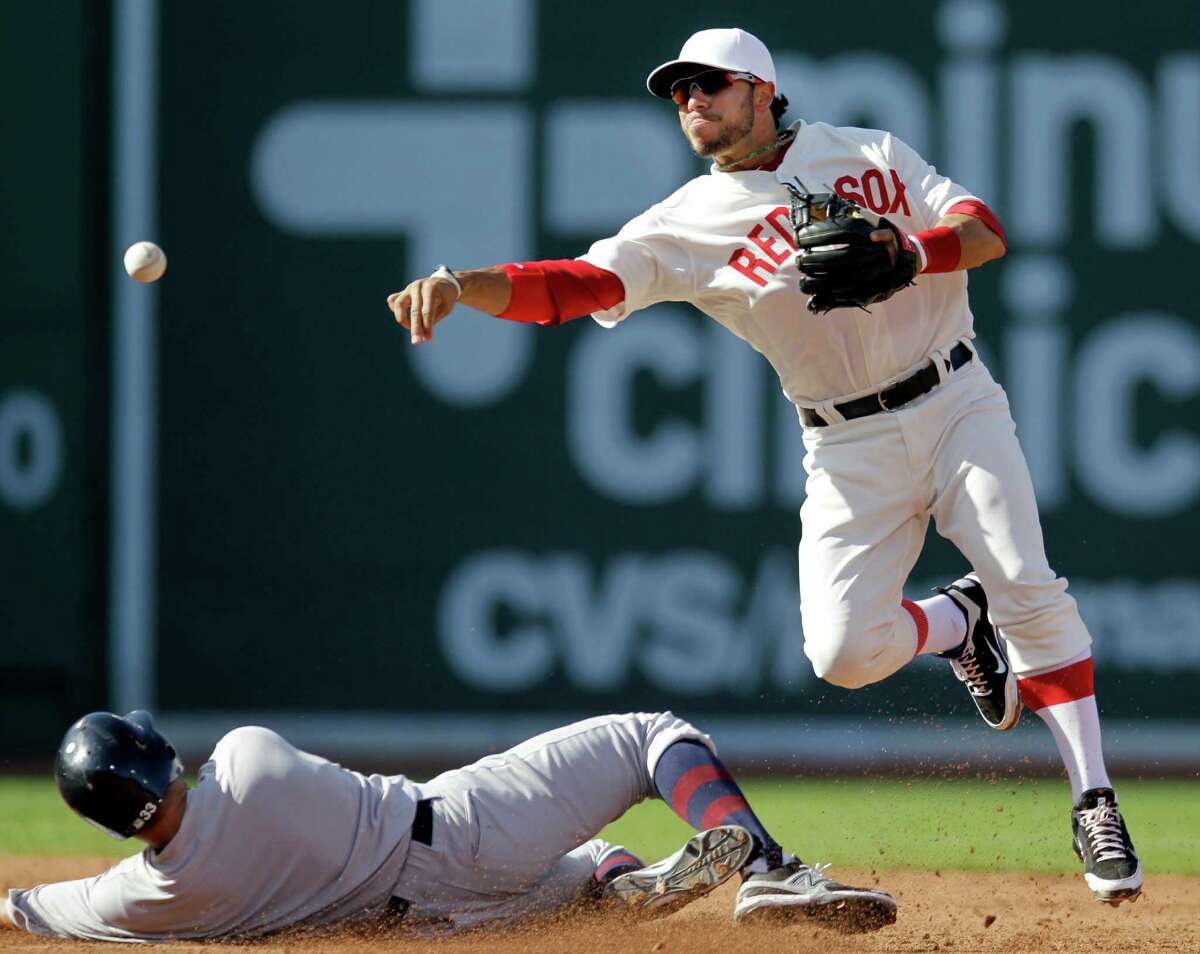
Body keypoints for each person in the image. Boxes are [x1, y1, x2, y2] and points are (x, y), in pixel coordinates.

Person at [384, 27, 1142, 906]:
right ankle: (955, 625)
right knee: (843, 653)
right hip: (845, 443)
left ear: (761, 90)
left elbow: (983, 231)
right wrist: (466, 283)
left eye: (710, 85)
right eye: (679, 92)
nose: (692, 102)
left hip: (957, 400)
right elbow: (575, 287)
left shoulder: (868, 152)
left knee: (1028, 583)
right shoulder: (685, 222)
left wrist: (908, 253)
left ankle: (1093, 799)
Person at [1, 709, 895, 941]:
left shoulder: (150, 897)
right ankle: (770, 870)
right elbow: (205, 784)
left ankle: (613, 889)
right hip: (462, 829)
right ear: (155, 754)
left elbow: (46, 906)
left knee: (581, 874)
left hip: (430, 921)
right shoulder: (243, 758)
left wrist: (16, 906)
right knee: (649, 739)